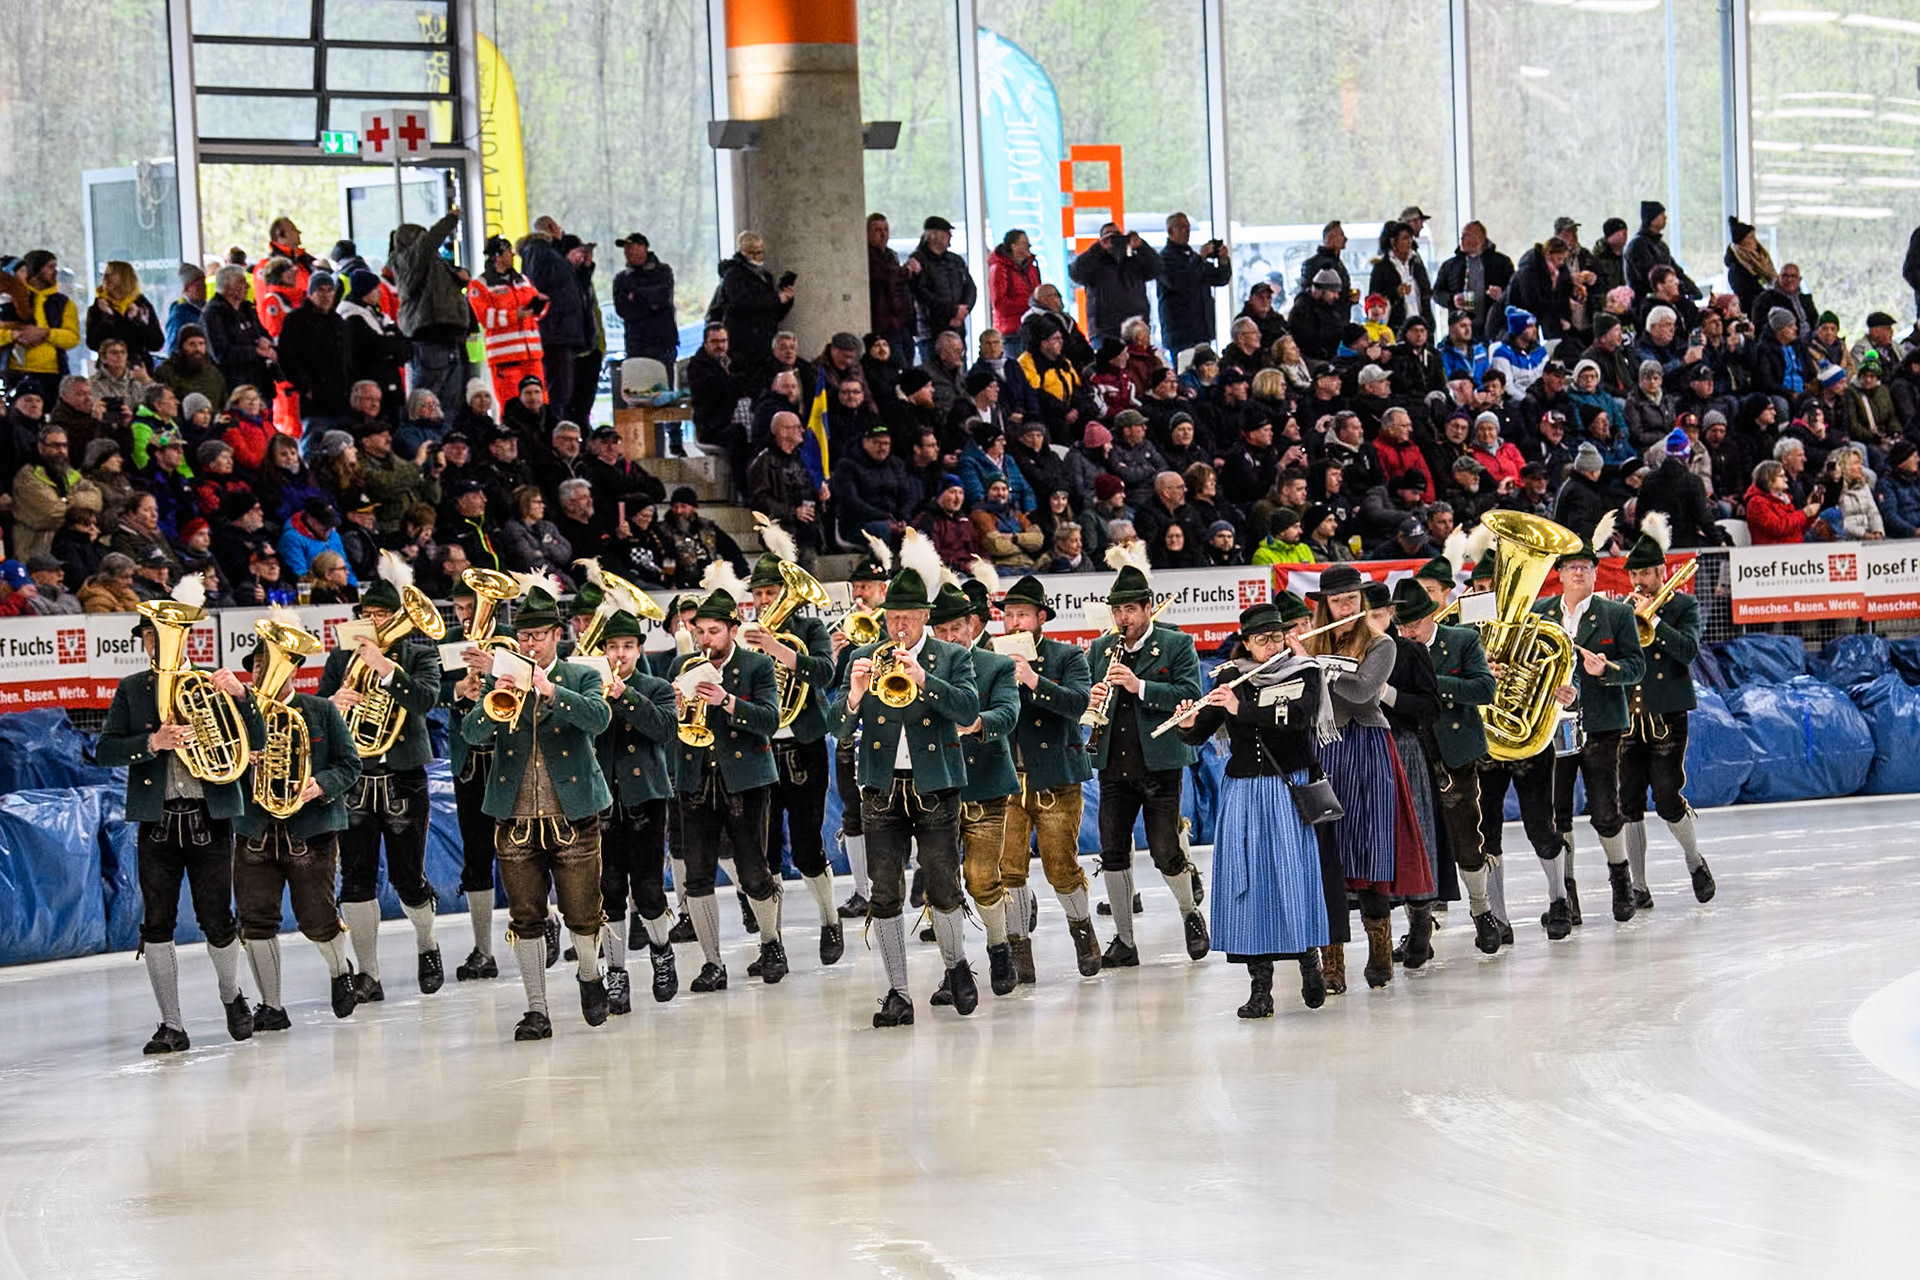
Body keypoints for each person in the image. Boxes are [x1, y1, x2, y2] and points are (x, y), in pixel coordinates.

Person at [95, 592, 262, 1054]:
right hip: (159, 820)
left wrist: (243, 696)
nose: (155, 642)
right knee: (156, 923)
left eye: (162, 633)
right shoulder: (132, 689)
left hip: (209, 817)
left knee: (217, 918)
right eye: (150, 635)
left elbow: (259, 738)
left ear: (186, 636)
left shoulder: (210, 682)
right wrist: (153, 741)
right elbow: (105, 750)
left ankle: (232, 996)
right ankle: (171, 1024)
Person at [830, 534, 980, 1025]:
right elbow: (836, 726)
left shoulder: (951, 657)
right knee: (884, 891)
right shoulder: (867, 657)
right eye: (892, 617)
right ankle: (897, 991)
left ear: (924, 620)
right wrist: (852, 696)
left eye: (907, 618)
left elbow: (968, 709)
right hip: (880, 788)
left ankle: (956, 966)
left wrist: (924, 680)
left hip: (934, 785)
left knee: (942, 884)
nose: (898, 625)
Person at [461, 587, 614, 1039]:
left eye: (538, 636)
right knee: (525, 915)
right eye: (524, 636)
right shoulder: (500, 679)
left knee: (583, 912)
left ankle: (589, 973)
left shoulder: (580, 674)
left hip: (572, 814)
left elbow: (598, 719)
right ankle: (536, 1009)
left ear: (556, 635)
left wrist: (550, 691)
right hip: (515, 817)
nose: (530, 644)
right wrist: (495, 697)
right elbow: (472, 733)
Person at [1171, 600, 1330, 1017]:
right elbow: (1201, 733)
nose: (1271, 645)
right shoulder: (1229, 677)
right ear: (1245, 643)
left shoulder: (1304, 670)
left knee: (1291, 876)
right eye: (1261, 640)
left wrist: (1245, 709)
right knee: (1249, 881)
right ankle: (1260, 988)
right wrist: (1189, 722)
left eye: (1276, 636)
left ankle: (1308, 960)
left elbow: (1301, 717)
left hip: (1285, 790)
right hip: (1244, 792)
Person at [316, 553, 445, 1002]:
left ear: (398, 617)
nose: (373, 622)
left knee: (408, 877)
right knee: (356, 877)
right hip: (356, 778)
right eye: (367, 615)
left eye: (382, 615)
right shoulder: (340, 658)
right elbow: (318, 714)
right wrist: (335, 703)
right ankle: (368, 973)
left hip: (403, 775)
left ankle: (427, 944)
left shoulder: (419, 652)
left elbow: (428, 700)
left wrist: (387, 669)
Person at [1304, 564, 1433, 992]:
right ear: (1325, 604)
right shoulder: (1312, 642)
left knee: (1370, 848)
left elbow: (1361, 693)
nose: (1346, 606)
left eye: (1352, 599)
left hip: (1367, 748)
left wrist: (1314, 669)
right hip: (1324, 748)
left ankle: (1380, 954)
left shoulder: (1382, 644)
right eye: (1338, 600)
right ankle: (1333, 964)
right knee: (1328, 855)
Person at [233, 621, 364, 1030]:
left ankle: (340, 971)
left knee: (316, 916)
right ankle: (271, 1005)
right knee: (255, 919)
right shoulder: (237, 715)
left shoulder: (321, 710)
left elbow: (350, 765)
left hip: (310, 830)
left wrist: (318, 785)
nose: (262, 672)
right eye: (256, 665)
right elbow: (215, 769)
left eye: (270, 664)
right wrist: (241, 761)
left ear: (293, 670)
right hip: (255, 829)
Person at [1082, 548, 1208, 969]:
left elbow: (1189, 695)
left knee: (1165, 851)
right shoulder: (1100, 649)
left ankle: (1191, 914)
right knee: (1112, 853)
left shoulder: (1176, 644)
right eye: (1118, 611)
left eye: (1131, 610)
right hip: (1113, 766)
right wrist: (1094, 696)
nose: (1124, 619)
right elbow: (1089, 698)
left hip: (1160, 764)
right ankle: (1124, 939)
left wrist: (1139, 686)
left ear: (1148, 607)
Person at [665, 574, 790, 992]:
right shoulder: (681, 666)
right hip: (695, 780)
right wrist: (678, 709)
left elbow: (771, 720)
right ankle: (712, 961)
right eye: (699, 631)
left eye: (713, 631)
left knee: (755, 871)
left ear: (733, 629)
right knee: (697, 876)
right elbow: (668, 728)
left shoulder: (755, 665)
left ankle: (771, 943)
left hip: (747, 781)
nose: (705, 638)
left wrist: (729, 702)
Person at [1519, 523, 1646, 937]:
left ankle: (1620, 879)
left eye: (1585, 567)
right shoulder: (1540, 614)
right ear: (1558, 573)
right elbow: (1526, 664)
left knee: (1607, 811)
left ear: (1595, 573)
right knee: (1557, 814)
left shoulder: (1617, 613)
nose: (1578, 573)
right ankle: (1566, 895)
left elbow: (1637, 666)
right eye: (1571, 567)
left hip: (1602, 725)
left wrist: (1606, 670)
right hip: (1549, 727)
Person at [742, 539, 843, 968]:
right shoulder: (742, 634)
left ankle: (830, 920)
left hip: (803, 746)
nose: (766, 601)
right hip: (760, 750)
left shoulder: (808, 630)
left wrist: (777, 649)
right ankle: (772, 941)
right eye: (761, 594)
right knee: (763, 852)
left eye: (772, 593)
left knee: (806, 847)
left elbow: (824, 672)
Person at [928, 575, 1022, 999]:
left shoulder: (996, 664)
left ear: (971, 626)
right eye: (942, 631)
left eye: (956, 629)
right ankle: (955, 967)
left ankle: (999, 948)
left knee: (983, 876)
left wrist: (980, 722)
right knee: (941, 882)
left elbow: (1008, 712)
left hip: (985, 783)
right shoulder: (920, 669)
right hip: (934, 787)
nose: (950, 638)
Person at [1618, 517, 1716, 913]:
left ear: (1663, 571)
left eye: (1646, 571)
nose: (1639, 579)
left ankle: (1695, 861)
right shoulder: (1621, 611)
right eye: (1634, 572)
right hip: (1628, 716)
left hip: (1667, 713)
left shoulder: (1683, 606)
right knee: (1628, 802)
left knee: (1667, 796)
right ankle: (1638, 886)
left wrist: (1654, 619)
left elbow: (1688, 652)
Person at [1403, 565, 1503, 952]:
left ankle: (1482, 912)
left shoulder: (1462, 639)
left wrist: (1432, 681)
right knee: (1417, 846)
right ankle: (1419, 929)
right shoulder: (1392, 649)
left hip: (1455, 755)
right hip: (1411, 756)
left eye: (1414, 625)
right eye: (1403, 626)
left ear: (1431, 616)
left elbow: (1484, 688)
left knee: (1466, 840)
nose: (1408, 632)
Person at [589, 606, 681, 1011]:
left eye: (627, 646)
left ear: (639, 649)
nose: (620, 654)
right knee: (608, 888)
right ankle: (616, 972)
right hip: (604, 798)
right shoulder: (589, 686)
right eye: (612, 647)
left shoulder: (655, 686)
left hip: (646, 795)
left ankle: (662, 950)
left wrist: (626, 696)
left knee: (647, 886)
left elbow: (664, 729)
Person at [827, 547, 893, 918]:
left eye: (866, 586)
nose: (859, 595)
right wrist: (836, 656)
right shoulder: (844, 630)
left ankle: (911, 883)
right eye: (855, 587)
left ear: (883, 590)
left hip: (887, 733)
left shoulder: (894, 627)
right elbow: (832, 689)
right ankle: (860, 890)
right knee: (853, 813)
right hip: (853, 734)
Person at [909, 216, 976, 364]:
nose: (950, 236)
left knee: (958, 373)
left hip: (957, 328)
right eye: (946, 233)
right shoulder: (918, 260)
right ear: (932, 235)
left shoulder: (955, 260)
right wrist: (952, 311)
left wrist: (964, 309)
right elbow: (921, 294)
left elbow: (970, 287)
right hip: (931, 330)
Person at [1433, 222, 1515, 341]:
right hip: (1460, 330)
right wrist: (1452, 300)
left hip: (1494, 329)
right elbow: (1436, 293)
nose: (1462, 239)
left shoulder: (1501, 263)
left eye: (1466, 235)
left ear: (1480, 238)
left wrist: (1502, 295)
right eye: (1462, 236)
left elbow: (1515, 291)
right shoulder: (1450, 265)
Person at [611, 232, 677, 375]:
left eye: (631, 247)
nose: (627, 252)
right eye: (625, 249)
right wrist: (649, 304)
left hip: (662, 342)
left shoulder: (663, 271)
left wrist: (636, 295)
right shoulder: (621, 278)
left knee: (663, 388)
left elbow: (663, 297)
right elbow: (623, 309)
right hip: (636, 344)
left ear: (643, 248)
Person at [1625, 201, 1700, 302]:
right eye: (1661, 215)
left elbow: (1675, 269)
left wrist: (1692, 288)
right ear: (1650, 218)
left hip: (1665, 297)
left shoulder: (1660, 245)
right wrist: (1679, 288)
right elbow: (1652, 275)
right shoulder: (1637, 245)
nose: (1665, 218)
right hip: (1647, 302)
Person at [989, 229, 1043, 351]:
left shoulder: (1032, 268)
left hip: (1032, 328)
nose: (1029, 246)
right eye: (1024, 243)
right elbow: (1000, 304)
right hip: (1012, 332)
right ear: (1013, 246)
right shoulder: (999, 269)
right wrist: (1031, 305)